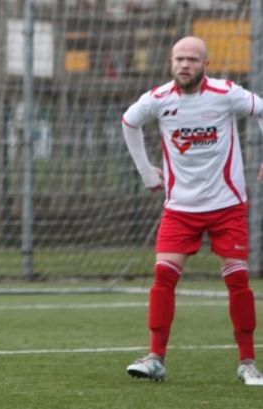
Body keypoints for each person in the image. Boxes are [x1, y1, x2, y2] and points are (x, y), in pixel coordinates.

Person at [122, 35, 263, 386]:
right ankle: (155, 359)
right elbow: (129, 122)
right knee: (163, 278)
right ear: (171, 62)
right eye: (179, 59)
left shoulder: (226, 93)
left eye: (192, 60)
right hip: (180, 207)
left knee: (237, 281)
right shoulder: (158, 99)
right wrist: (145, 171)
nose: (184, 65)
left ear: (206, 65)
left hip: (226, 205)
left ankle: (248, 363)